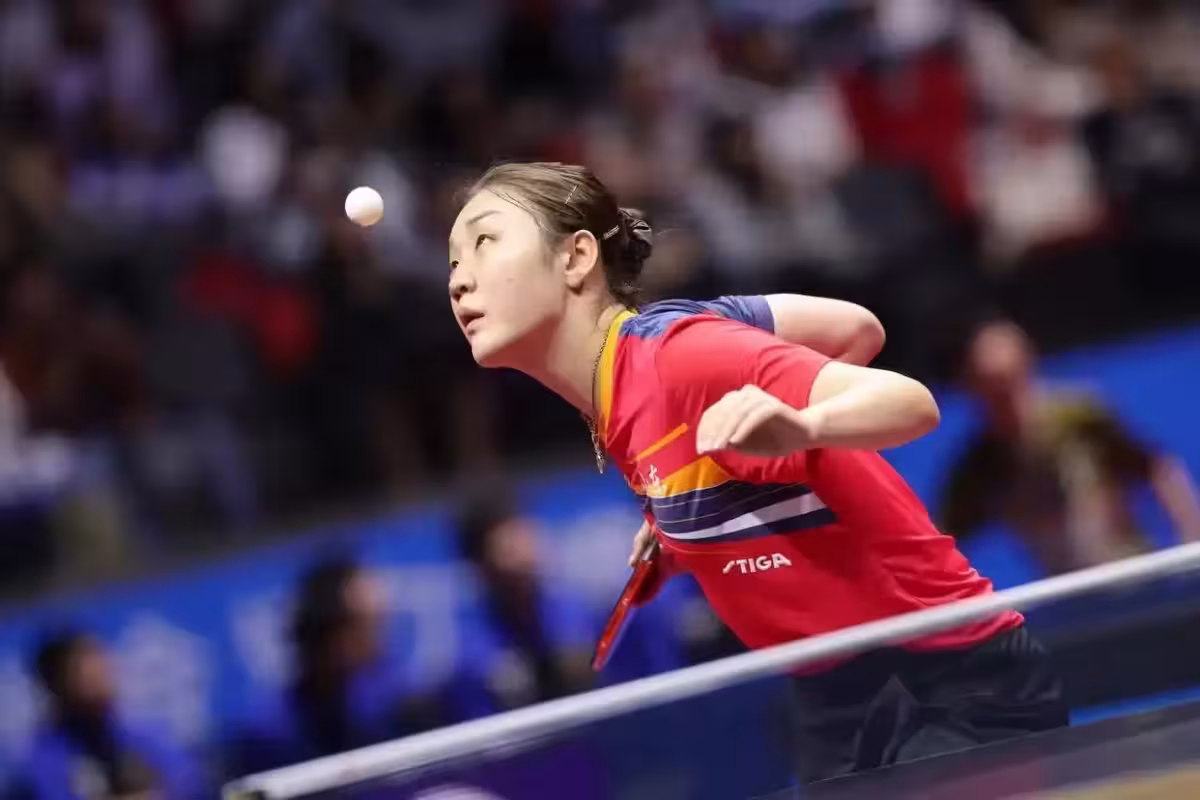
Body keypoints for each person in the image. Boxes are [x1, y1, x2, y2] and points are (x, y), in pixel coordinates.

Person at [446, 161, 1068, 782]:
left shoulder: (682, 358)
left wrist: (803, 425)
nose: (459, 281)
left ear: (576, 257)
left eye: (483, 242)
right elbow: (857, 329)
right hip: (839, 698)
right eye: (451, 262)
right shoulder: (621, 391)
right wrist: (681, 529)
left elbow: (911, 403)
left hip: (950, 678)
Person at [941, 318, 1200, 576]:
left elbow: (1157, 468)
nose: (1006, 400)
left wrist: (1192, 539)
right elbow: (944, 537)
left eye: (1011, 381)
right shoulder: (981, 463)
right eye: (992, 388)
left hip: (1130, 571)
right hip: (1067, 587)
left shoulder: (1079, 417)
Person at [230, 556, 444, 776]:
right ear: (330, 633)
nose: (377, 639)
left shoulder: (400, 701)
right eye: (364, 626)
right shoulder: (267, 731)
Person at [13, 629, 201, 800]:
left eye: (100, 660)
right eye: (83, 669)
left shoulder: (141, 733)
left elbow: (189, 783)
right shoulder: (44, 759)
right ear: (56, 684)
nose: (101, 673)